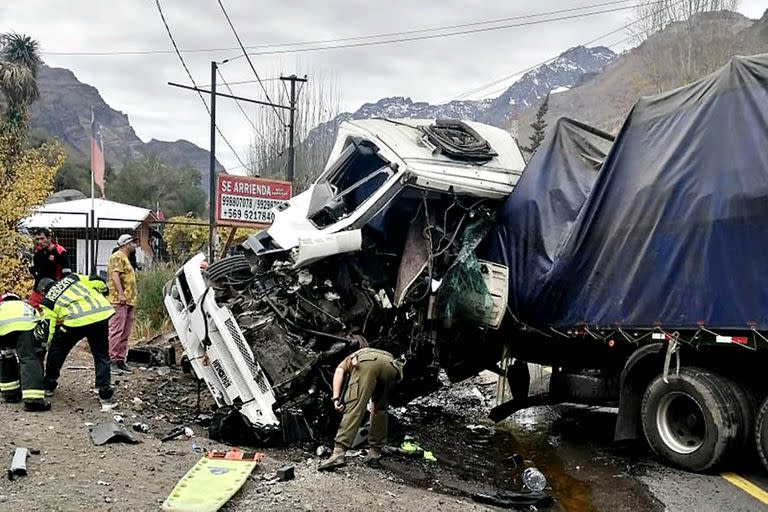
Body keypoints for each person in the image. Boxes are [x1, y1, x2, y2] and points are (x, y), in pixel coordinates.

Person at [37, 274, 115, 411]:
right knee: (101, 355)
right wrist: (102, 294)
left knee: (57, 351)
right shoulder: (73, 277)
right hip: (100, 314)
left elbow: (49, 327)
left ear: (43, 290)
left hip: (75, 321)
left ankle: (49, 384)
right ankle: (104, 394)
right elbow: (98, 283)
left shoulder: (48, 300)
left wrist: (45, 344)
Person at [319, 347, 404, 470]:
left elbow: (338, 372)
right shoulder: (374, 351)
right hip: (391, 365)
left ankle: (339, 453)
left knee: (355, 407)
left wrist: (336, 398)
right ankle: (374, 454)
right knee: (380, 410)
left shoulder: (349, 359)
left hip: (367, 363)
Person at [0, 293, 49, 411]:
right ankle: (33, 400)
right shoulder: (26, 306)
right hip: (25, 327)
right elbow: (41, 323)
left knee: (6, 356)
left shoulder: (1, 307)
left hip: (2, 329)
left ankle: (10, 393)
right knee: (29, 359)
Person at [107, 234, 138, 375]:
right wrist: (120, 293)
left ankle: (120, 359)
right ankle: (111, 360)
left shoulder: (126, 258)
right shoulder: (117, 256)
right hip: (119, 300)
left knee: (125, 331)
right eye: (132, 242)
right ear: (125, 244)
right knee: (116, 330)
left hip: (129, 300)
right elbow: (115, 276)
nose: (134, 244)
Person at [29, 228, 71, 308]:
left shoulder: (60, 251)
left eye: (42, 238)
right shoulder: (37, 252)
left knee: (51, 313)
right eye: (37, 239)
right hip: (39, 289)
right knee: (32, 308)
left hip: (54, 290)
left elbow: (67, 274)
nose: (39, 242)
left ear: (49, 238)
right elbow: (34, 270)